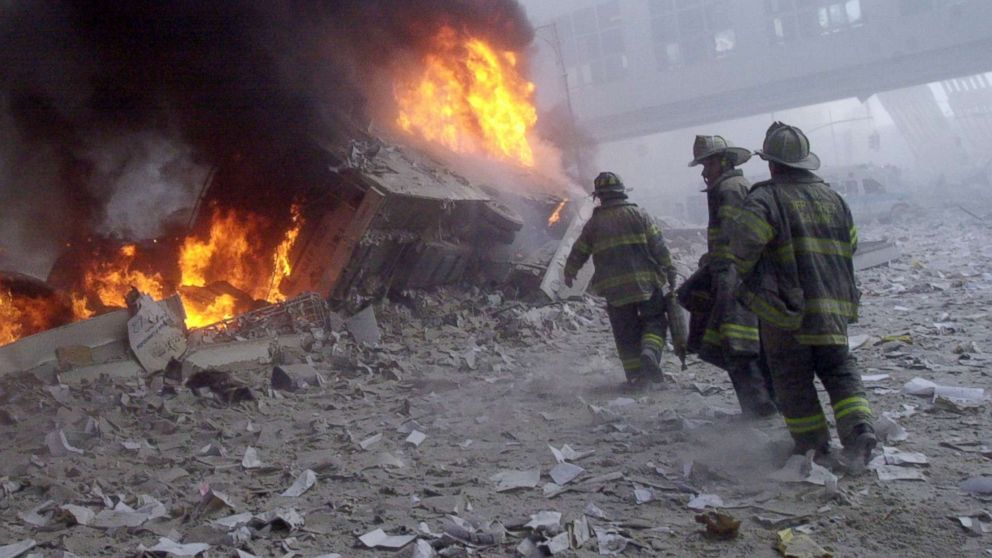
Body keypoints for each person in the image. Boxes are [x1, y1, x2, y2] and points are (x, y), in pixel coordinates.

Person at [727, 122, 876, 467]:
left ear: (771, 163)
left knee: (792, 379)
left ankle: (813, 446)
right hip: (834, 306)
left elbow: (743, 245)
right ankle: (859, 430)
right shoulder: (834, 199)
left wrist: (752, 279)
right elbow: (851, 245)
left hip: (786, 311)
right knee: (839, 369)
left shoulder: (766, 198)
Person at [679, 135, 776, 417]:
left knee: (736, 343)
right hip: (733, 271)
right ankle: (769, 400)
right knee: (745, 342)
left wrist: (721, 266)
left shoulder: (729, 189)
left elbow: (738, 237)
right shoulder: (734, 186)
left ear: (723, 162)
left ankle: (759, 406)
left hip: (733, 274)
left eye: (707, 165)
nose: (704, 172)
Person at [564, 172, 678, 387]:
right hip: (646, 284)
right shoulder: (640, 215)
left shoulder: (594, 223)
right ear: (622, 192)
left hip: (615, 290)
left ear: (599, 196)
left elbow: (579, 250)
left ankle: (636, 377)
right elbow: (658, 246)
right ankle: (650, 351)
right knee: (655, 321)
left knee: (625, 332)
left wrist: (570, 271)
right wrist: (670, 269)